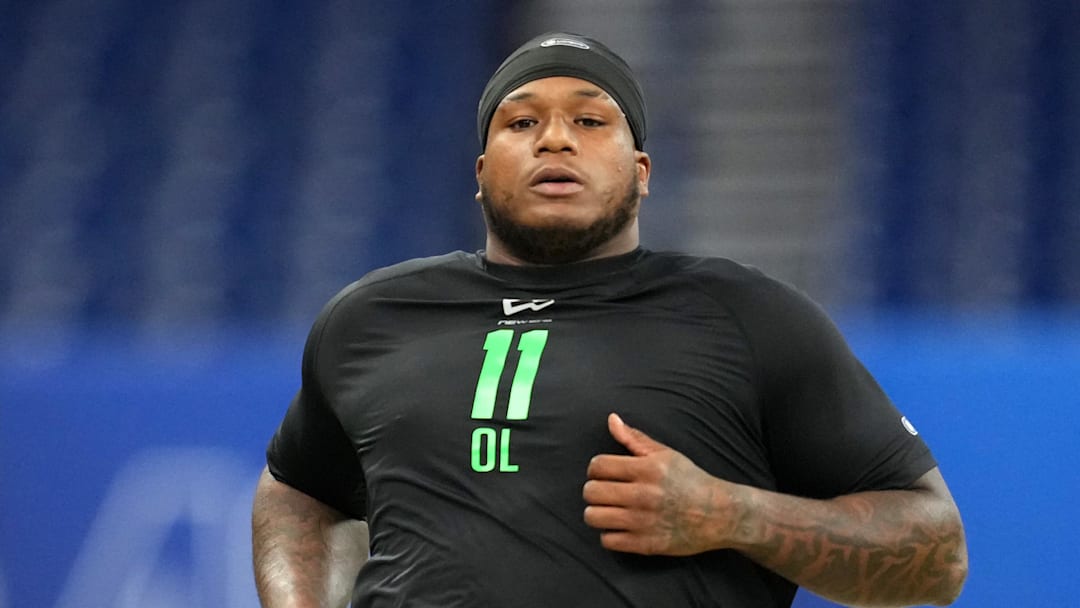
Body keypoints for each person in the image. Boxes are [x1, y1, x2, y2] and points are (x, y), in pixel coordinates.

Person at [251, 32, 968, 608]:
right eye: (522, 122)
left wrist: (732, 514)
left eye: (590, 121)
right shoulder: (371, 319)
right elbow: (298, 489)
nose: (555, 139)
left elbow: (938, 557)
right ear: (480, 173)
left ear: (643, 170)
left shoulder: (747, 317)